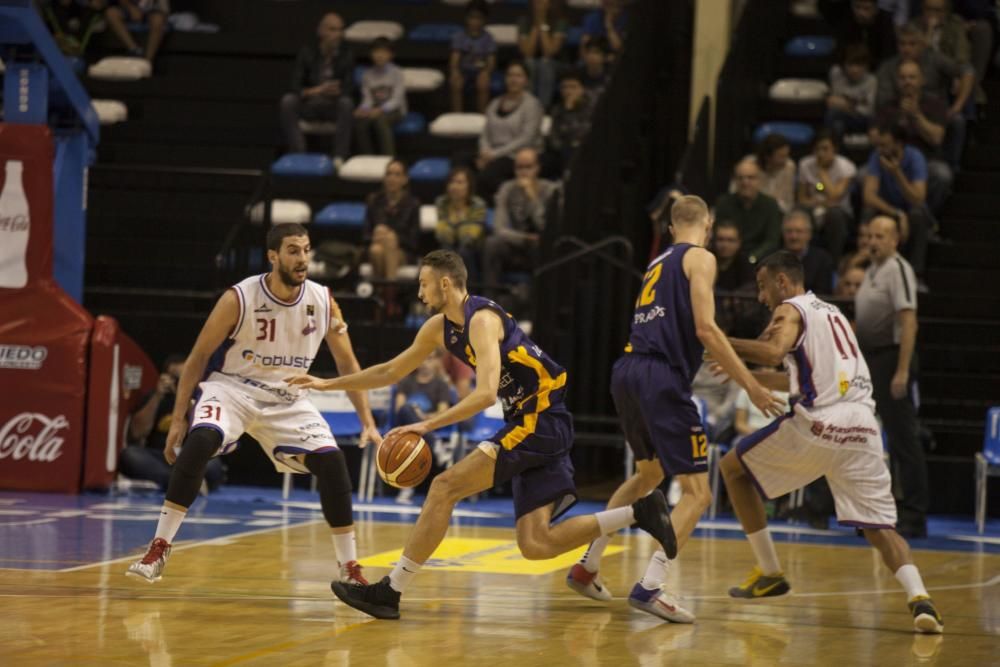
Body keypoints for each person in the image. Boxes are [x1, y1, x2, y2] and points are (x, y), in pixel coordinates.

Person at [288, 249, 680, 620]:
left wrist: (426, 425)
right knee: (535, 544)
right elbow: (390, 371)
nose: (419, 292)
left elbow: (486, 393)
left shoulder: (482, 320)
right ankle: (639, 512)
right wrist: (326, 385)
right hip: (533, 421)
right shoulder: (438, 329)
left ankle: (390, 591)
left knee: (444, 487)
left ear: (445, 284)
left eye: (424, 284)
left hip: (538, 419)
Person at [564, 196, 784, 623]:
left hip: (626, 370)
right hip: (660, 377)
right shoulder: (700, 258)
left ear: (669, 227)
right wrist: (752, 384)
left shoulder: (658, 261)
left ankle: (587, 565)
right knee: (698, 493)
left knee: (647, 475)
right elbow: (706, 328)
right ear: (709, 222)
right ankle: (650, 586)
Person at [125, 223, 381, 587]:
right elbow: (198, 357)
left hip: (288, 398)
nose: (303, 259)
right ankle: (159, 547)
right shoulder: (240, 297)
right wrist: (180, 418)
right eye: (294, 250)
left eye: (307, 250)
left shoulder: (323, 301)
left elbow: (348, 365)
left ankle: (350, 568)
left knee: (334, 463)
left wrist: (367, 420)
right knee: (200, 441)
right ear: (273, 256)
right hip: (232, 390)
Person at [717, 250, 943, 634]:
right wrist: (743, 375)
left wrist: (723, 341)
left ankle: (769, 571)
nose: (761, 296)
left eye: (763, 286)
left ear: (783, 282)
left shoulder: (789, 309)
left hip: (822, 424)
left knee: (731, 469)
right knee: (881, 529)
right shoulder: (834, 314)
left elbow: (772, 353)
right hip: (864, 428)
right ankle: (921, 600)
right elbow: (797, 378)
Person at [855, 216, 927, 538]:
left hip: (892, 357)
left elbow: (909, 321)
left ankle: (914, 513)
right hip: (871, 359)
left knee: (903, 440)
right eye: (870, 235)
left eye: (881, 236)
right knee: (866, 438)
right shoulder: (871, 269)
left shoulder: (899, 269)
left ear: (895, 239)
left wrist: (901, 370)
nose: (873, 241)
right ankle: (878, 510)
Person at [875, 21, 974, 169]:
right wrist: (903, 107)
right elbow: (883, 101)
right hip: (898, 113)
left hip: (933, 111)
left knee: (957, 120)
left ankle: (953, 168)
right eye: (902, 44)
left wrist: (957, 106)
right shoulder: (888, 67)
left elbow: (967, 71)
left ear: (922, 44)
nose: (906, 48)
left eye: (912, 44)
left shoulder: (934, 59)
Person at [119, 354, 225, 492]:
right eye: (176, 379)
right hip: (159, 458)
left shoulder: (203, 399)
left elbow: (205, 431)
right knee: (130, 455)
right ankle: (182, 483)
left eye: (186, 377)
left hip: (191, 457)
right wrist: (157, 396)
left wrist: (186, 397)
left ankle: (178, 483)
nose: (181, 382)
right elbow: (137, 434)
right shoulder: (154, 397)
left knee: (214, 465)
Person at [874, 59, 953, 213]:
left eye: (912, 77)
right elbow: (874, 137)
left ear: (922, 79)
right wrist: (899, 118)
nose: (907, 82)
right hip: (891, 159)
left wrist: (916, 115)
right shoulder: (887, 106)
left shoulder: (935, 104)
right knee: (862, 176)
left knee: (942, 175)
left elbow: (937, 138)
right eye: (903, 78)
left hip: (927, 160)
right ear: (897, 81)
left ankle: (925, 218)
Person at [280, 13, 355, 165]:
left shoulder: (347, 55)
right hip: (310, 104)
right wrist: (317, 90)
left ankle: (339, 156)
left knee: (346, 103)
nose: (338, 35)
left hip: (332, 106)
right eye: (333, 30)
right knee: (288, 101)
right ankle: (298, 151)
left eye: (340, 30)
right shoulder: (307, 52)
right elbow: (295, 86)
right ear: (321, 31)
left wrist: (338, 91)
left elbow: (349, 88)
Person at [862, 122, 931, 281]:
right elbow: (869, 195)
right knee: (868, 210)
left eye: (885, 145)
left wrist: (897, 173)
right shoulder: (877, 156)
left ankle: (917, 275)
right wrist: (898, 214)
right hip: (890, 209)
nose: (880, 149)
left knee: (918, 215)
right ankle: (867, 268)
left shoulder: (915, 158)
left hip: (912, 209)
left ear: (899, 144)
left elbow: (918, 198)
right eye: (879, 145)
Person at [483, 147, 556, 293]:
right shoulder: (507, 188)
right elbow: (499, 228)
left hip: (542, 248)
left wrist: (532, 198)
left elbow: (545, 227)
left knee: (542, 245)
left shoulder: (550, 190)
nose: (523, 172)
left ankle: (540, 300)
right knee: (492, 243)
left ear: (538, 168)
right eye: (519, 167)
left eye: (528, 167)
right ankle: (489, 301)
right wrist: (524, 238)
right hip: (518, 244)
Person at [393, 349, 455, 505]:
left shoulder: (441, 385)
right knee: (407, 409)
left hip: (429, 428)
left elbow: (443, 413)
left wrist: (423, 419)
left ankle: (406, 489)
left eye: (430, 359)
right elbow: (399, 408)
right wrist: (416, 415)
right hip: (405, 429)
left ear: (436, 362)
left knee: (416, 435)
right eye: (423, 358)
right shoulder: (407, 382)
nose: (426, 362)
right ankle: (437, 447)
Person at [476, 61, 545, 200]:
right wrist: (484, 152)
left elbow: (526, 138)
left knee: (487, 175)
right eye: (510, 75)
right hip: (492, 153)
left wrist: (493, 155)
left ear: (526, 80)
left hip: (517, 155)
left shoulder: (532, 104)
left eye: (518, 76)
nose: (513, 79)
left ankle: (508, 204)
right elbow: (485, 133)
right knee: (460, 161)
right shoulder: (495, 103)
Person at [796, 130, 856, 263]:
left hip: (840, 212)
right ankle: (801, 260)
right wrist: (819, 204)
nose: (820, 153)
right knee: (799, 211)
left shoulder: (846, 167)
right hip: (814, 208)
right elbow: (801, 198)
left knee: (834, 214)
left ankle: (833, 263)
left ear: (835, 149)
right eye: (817, 149)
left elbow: (835, 197)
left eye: (825, 149)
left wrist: (822, 172)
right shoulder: (805, 164)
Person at [714, 159, 784, 264]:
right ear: (735, 181)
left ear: (760, 180)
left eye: (751, 178)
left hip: (759, 260)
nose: (745, 182)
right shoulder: (724, 203)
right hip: (728, 258)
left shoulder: (770, 205)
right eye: (740, 178)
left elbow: (772, 240)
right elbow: (718, 234)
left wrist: (752, 257)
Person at [364, 159, 421, 284]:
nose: (392, 178)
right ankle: (388, 296)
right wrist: (376, 235)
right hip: (376, 247)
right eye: (388, 174)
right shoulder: (374, 200)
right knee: (376, 250)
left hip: (403, 252)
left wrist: (394, 237)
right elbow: (365, 235)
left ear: (405, 179)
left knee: (389, 240)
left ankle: (385, 294)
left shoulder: (412, 204)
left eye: (397, 175)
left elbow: (413, 241)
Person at [435, 166, 489, 283]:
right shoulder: (442, 203)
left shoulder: (478, 205)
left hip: (475, 249)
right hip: (450, 246)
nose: (454, 186)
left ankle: (469, 294)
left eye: (460, 182)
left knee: (464, 252)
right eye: (451, 182)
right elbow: (443, 235)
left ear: (469, 186)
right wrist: (461, 224)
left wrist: (453, 224)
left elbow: (469, 237)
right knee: (445, 251)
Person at [354, 37, 407, 156]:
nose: (380, 55)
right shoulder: (367, 74)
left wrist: (381, 110)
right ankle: (367, 157)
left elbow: (397, 100)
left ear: (391, 55)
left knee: (380, 120)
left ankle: (388, 157)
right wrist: (363, 110)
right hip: (375, 108)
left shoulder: (397, 73)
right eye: (376, 51)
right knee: (360, 122)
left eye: (384, 52)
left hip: (395, 110)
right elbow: (367, 99)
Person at [518, 0, 568, 109]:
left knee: (545, 63)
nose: (538, 3)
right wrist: (536, 25)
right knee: (529, 63)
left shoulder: (560, 21)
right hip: (534, 63)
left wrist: (543, 22)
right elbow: (527, 52)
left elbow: (549, 52)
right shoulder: (524, 21)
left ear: (550, 3)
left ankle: (543, 108)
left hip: (557, 64)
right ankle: (528, 107)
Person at [449, 1, 497, 113]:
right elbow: (455, 59)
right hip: (464, 72)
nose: (475, 21)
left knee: (483, 82)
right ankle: (457, 114)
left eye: (479, 18)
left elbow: (491, 61)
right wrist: (455, 71)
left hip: (480, 72)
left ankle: (482, 115)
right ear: (466, 18)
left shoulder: (488, 38)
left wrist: (486, 72)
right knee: (455, 81)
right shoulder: (459, 37)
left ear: (484, 20)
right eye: (472, 18)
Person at [545, 69, 593, 177]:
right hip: (563, 151)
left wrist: (570, 112)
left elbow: (585, 132)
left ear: (582, 89)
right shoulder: (557, 109)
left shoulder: (591, 107)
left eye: (573, 87)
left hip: (587, 150)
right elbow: (553, 138)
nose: (568, 91)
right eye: (565, 87)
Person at [819, 0, 898, 65]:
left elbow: (888, 53)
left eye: (866, 8)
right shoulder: (846, 19)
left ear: (876, 10)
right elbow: (841, 50)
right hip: (851, 67)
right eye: (857, 7)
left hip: (877, 67)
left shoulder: (885, 21)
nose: (861, 13)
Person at [782, 210, 836, 295]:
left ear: (809, 234)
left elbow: (823, 293)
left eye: (799, 231)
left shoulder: (823, 260)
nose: (794, 236)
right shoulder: (774, 258)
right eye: (789, 231)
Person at [104, 0, 169, 62]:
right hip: (128, 9)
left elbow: (163, 9)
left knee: (158, 20)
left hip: (151, 10)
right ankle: (135, 50)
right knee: (111, 13)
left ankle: (148, 60)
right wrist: (131, 8)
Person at [748, 134, 796, 214]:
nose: (785, 161)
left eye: (787, 155)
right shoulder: (749, 166)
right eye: (781, 156)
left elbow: (788, 203)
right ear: (767, 157)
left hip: (778, 213)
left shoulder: (789, 167)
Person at [711, 219, 755, 293]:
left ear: (739, 242)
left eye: (730, 240)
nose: (725, 245)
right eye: (720, 240)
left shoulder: (745, 264)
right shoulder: (706, 260)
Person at [580, 38, 610, 107]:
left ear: (605, 57)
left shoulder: (610, 77)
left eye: (596, 53)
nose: (591, 56)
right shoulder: (577, 76)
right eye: (589, 52)